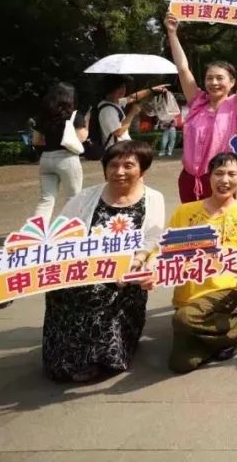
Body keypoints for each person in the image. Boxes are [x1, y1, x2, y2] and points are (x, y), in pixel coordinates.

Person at [42, 141, 165, 382]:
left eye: (128, 165)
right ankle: (68, 358)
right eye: (113, 165)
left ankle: (102, 355)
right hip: (82, 268)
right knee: (64, 289)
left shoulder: (153, 199)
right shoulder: (85, 198)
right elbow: (57, 235)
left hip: (126, 274)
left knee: (96, 291)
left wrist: (138, 261)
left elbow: (153, 239)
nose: (119, 172)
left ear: (142, 169)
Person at [153, 153, 237, 373]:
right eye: (219, 173)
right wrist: (149, 267)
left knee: (184, 319)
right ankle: (222, 333)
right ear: (209, 176)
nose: (225, 180)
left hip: (227, 287)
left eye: (232, 174)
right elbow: (163, 248)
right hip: (188, 290)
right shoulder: (185, 211)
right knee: (181, 364)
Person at [165, 13, 237, 202]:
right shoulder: (197, 102)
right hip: (188, 179)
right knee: (190, 221)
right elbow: (183, 69)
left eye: (219, 78)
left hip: (221, 181)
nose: (214, 83)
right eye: (209, 78)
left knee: (220, 221)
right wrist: (172, 33)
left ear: (232, 83)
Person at [32, 83, 89, 220]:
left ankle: (36, 229)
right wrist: (87, 124)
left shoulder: (43, 116)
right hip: (67, 158)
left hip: (46, 159)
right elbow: (81, 137)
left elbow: (36, 140)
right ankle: (70, 228)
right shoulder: (74, 115)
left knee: (46, 199)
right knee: (73, 198)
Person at [93, 76, 168, 154]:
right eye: (120, 87)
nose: (124, 90)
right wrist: (132, 113)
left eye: (124, 87)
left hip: (121, 149)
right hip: (117, 152)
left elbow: (132, 98)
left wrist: (152, 90)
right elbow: (118, 132)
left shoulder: (115, 103)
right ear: (111, 89)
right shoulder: (108, 110)